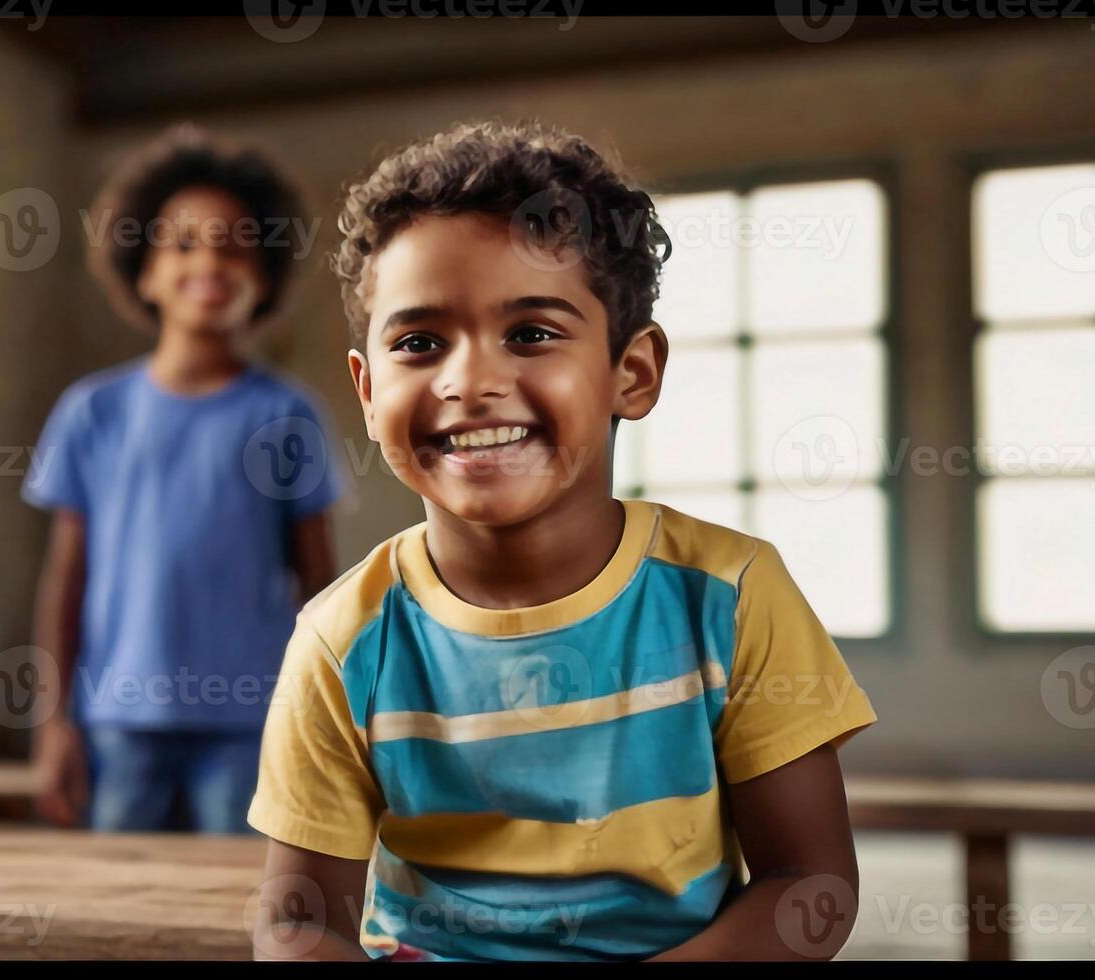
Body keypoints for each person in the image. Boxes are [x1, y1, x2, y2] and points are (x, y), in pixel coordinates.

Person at [248, 120, 877, 960]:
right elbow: (299, 922)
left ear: (633, 373)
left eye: (532, 333)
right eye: (419, 342)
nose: (469, 380)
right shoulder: (341, 642)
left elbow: (812, 886)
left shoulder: (731, 596)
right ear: (368, 390)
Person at [25, 125, 347, 834]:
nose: (211, 261)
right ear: (143, 272)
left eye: (236, 245)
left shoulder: (288, 414)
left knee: (235, 906)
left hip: (250, 720)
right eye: (184, 243)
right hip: (117, 718)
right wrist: (54, 724)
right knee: (116, 909)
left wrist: (324, 725)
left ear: (265, 278)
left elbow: (321, 591)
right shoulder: (92, 412)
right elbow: (64, 581)